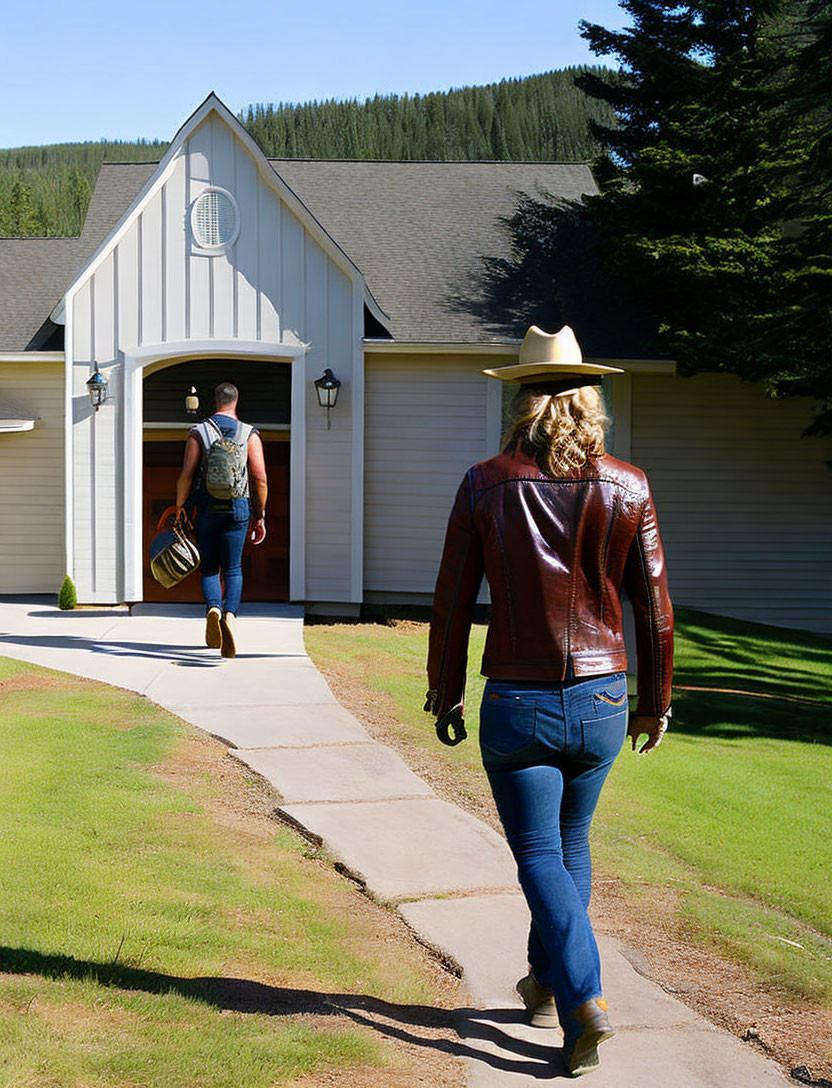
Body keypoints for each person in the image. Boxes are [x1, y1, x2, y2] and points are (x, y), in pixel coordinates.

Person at [425, 325, 673, 1078]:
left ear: (520, 402)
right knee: (568, 849)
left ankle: (586, 1001)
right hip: (601, 699)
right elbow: (654, 608)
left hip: (519, 701)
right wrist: (654, 703)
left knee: (540, 853)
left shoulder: (484, 483)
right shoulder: (629, 485)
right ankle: (544, 984)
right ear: (591, 400)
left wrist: (445, 689)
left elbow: (451, 602)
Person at [175, 381, 268, 658]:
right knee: (233, 569)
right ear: (235, 402)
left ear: (215, 402)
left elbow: (187, 475)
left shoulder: (199, 432)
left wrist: (180, 507)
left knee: (209, 568)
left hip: (206, 508)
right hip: (238, 508)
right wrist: (259, 514)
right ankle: (229, 615)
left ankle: (213, 608)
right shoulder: (248, 434)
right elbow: (260, 477)